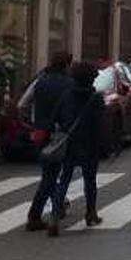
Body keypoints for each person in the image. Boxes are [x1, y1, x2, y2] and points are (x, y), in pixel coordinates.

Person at [48, 61, 105, 237]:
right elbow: (100, 125)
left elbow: (55, 117)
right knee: (90, 181)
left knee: (64, 179)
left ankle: (54, 216)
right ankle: (90, 213)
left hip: (70, 142)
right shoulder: (95, 98)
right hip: (89, 144)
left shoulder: (67, 96)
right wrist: (106, 147)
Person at [25, 52, 74, 232]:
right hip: (60, 134)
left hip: (40, 133)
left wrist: (31, 122)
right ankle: (35, 215)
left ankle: (56, 206)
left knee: (49, 173)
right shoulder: (69, 84)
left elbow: (23, 104)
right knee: (51, 176)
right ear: (67, 65)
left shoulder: (40, 81)